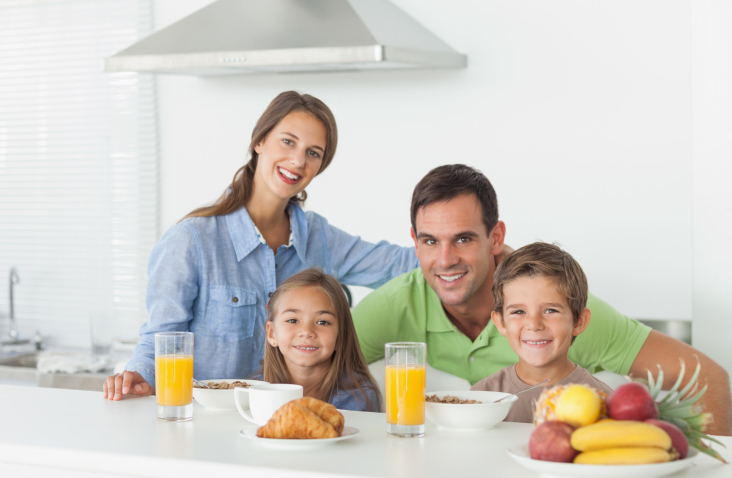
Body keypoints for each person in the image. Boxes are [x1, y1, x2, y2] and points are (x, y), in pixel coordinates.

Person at [353, 164, 732, 435]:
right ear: (414, 241)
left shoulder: (559, 309)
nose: (446, 259)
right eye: (430, 241)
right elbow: (309, 355)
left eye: (464, 239)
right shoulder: (396, 304)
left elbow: (707, 378)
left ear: (496, 237)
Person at [103, 91, 418, 401]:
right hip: (208, 426)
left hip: (286, 429)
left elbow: (404, 264)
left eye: (313, 153)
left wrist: (454, 242)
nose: (297, 160)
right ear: (260, 141)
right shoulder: (191, 241)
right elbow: (161, 340)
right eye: (288, 141)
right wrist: (140, 376)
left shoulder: (319, 238)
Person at [470, 242, 613, 423]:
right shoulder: (480, 398)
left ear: (579, 321)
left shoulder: (604, 404)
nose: (534, 324)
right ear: (500, 322)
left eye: (550, 310)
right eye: (518, 312)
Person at [252, 268, 380, 412]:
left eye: (323, 322)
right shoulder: (251, 393)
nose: (306, 332)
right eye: (293, 320)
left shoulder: (358, 397)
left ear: (340, 337)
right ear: (272, 334)